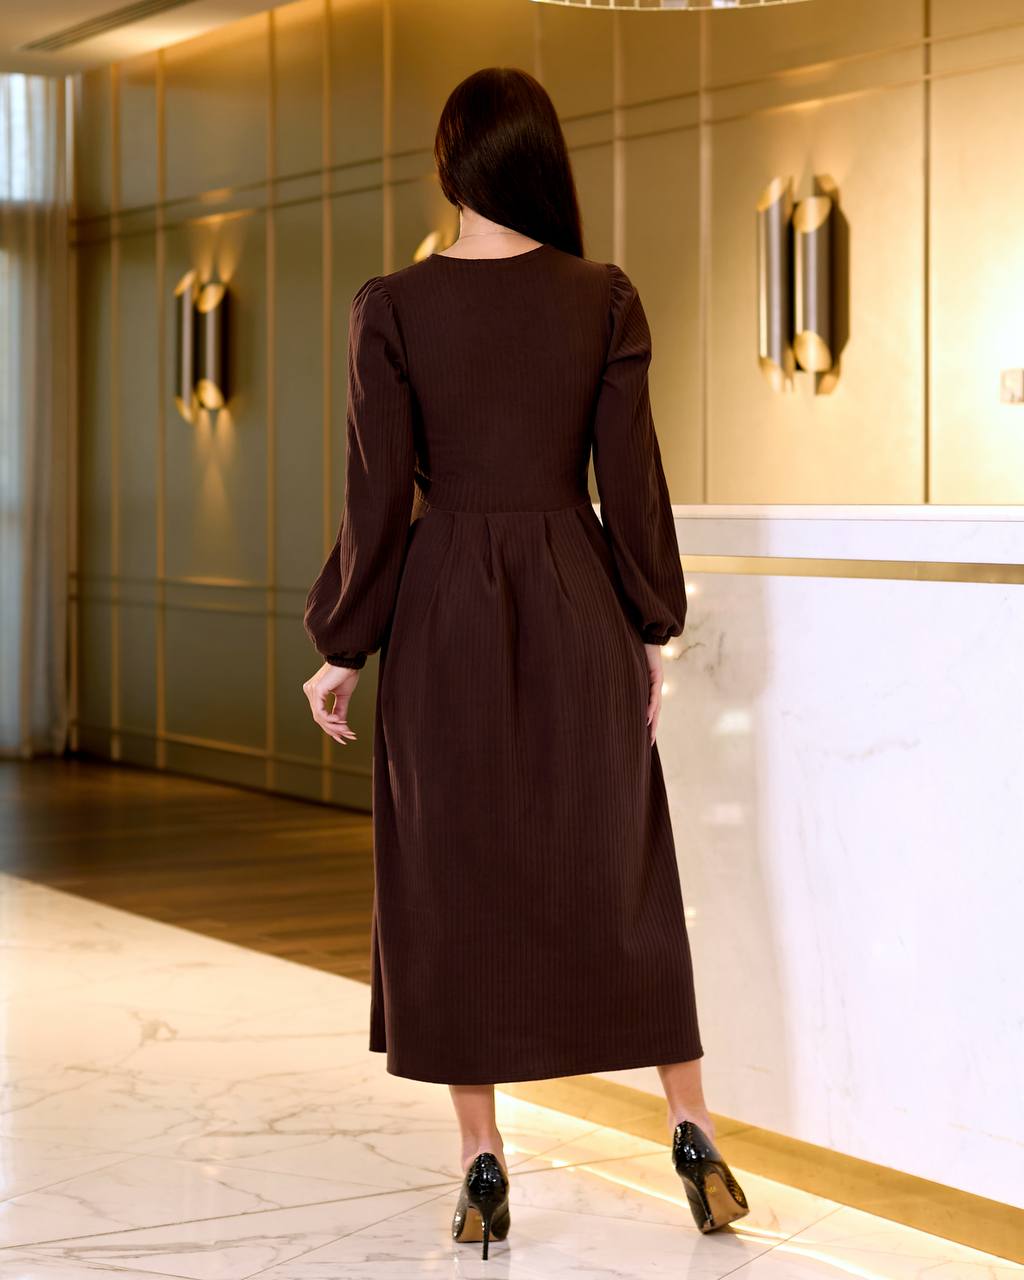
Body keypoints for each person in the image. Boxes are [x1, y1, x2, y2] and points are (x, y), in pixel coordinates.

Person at [302, 65, 748, 1257]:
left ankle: (481, 1153)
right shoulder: (602, 297)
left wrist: (342, 644)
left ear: (450, 163)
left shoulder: (391, 307)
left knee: (450, 873)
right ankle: (691, 1122)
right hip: (575, 603)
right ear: (540, 158)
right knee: (621, 867)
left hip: (442, 608)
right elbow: (631, 480)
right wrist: (650, 624)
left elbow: (375, 499)